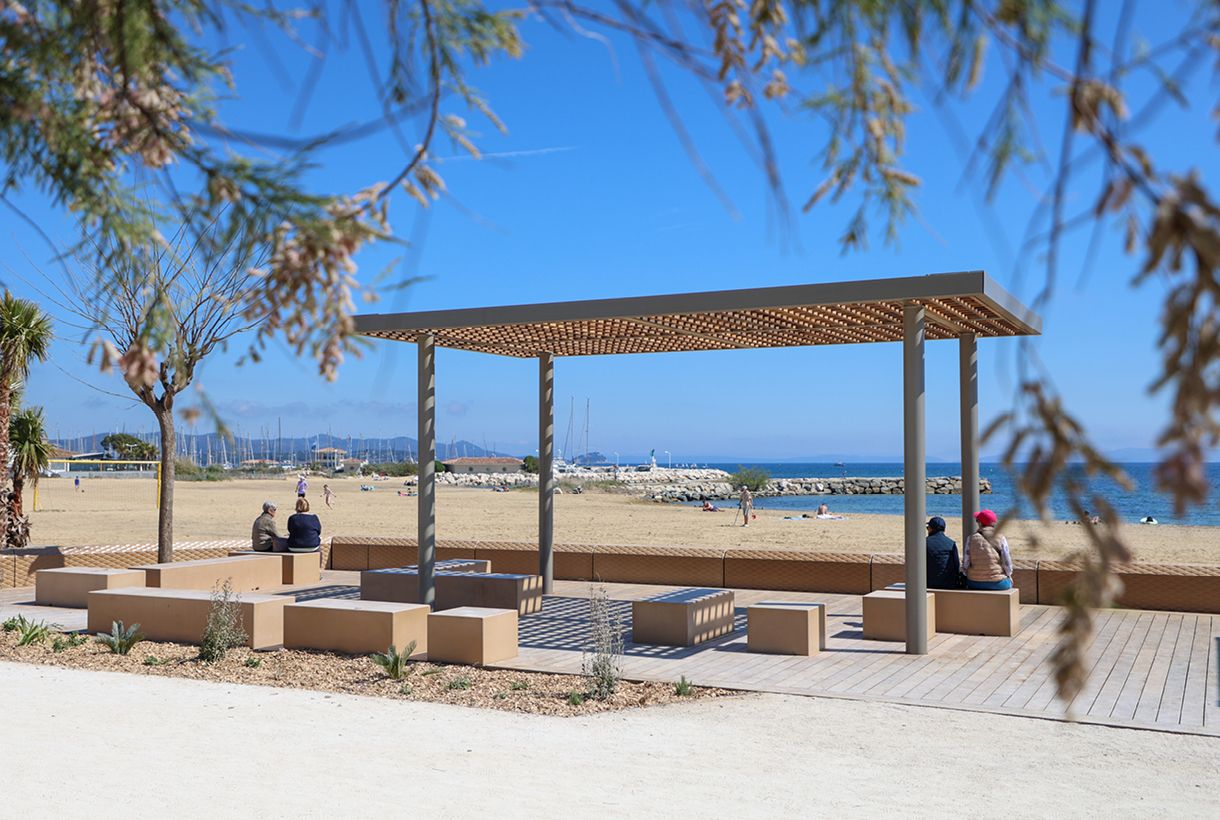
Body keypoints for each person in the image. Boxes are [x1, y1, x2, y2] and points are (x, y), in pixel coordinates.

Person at [963, 509, 1013, 590]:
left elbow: (966, 562)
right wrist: (1008, 574)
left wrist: (967, 573)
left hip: (974, 582)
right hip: (997, 583)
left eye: (977, 520)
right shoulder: (1001, 538)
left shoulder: (971, 538)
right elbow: (1007, 561)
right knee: (1009, 583)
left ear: (980, 523)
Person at [925, 516, 962, 589]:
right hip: (948, 584)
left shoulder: (923, 543)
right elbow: (956, 565)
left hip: (927, 583)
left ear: (931, 529)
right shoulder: (951, 543)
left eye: (927, 527)